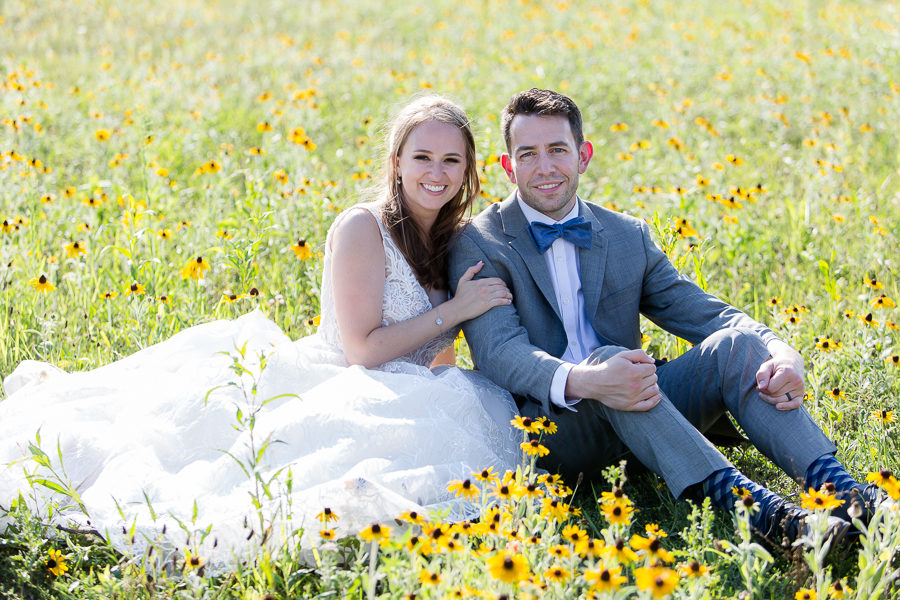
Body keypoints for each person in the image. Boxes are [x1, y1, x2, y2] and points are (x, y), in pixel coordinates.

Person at [0, 95, 520, 567]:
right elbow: (362, 350)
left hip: (397, 389)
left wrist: (442, 399)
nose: (437, 172)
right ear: (397, 163)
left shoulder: (454, 241)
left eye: (452, 160)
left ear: (469, 170)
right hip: (340, 378)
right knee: (226, 481)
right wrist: (454, 312)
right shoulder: (365, 228)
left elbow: (435, 359)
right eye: (422, 157)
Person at [448, 88, 883, 549]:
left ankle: (848, 496)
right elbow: (500, 353)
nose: (545, 167)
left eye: (558, 149)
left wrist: (780, 348)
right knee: (613, 360)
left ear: (583, 156)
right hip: (548, 431)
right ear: (507, 166)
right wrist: (587, 379)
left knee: (737, 345)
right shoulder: (479, 242)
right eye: (528, 154)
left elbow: (702, 311)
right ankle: (768, 520)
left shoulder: (626, 234)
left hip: (642, 413)